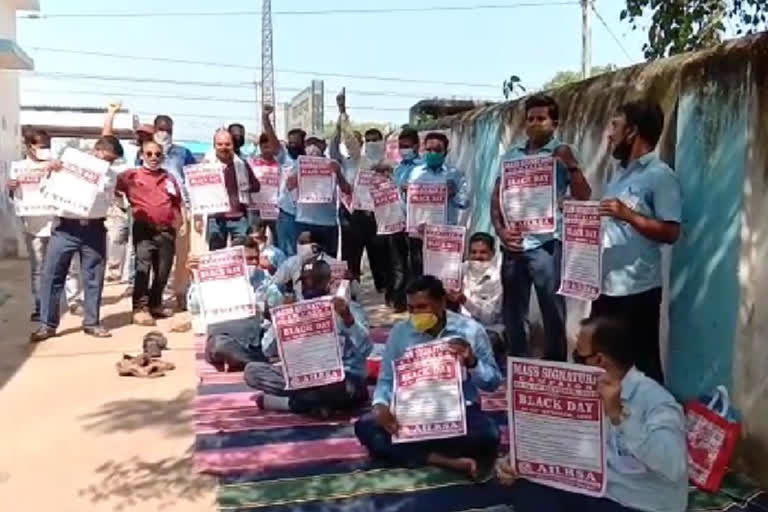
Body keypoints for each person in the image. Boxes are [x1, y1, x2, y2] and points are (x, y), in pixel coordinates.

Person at [496, 315, 688, 512]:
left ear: (599, 360)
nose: (574, 364)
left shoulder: (657, 401)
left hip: (635, 502)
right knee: (528, 489)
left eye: (579, 357)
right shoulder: (582, 391)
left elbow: (673, 465)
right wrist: (518, 462)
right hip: (592, 492)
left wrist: (618, 415)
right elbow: (557, 442)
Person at [354, 275, 502, 479]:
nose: (415, 313)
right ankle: (447, 460)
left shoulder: (471, 330)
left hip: (458, 413)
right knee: (365, 427)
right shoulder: (400, 332)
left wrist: (472, 362)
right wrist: (380, 406)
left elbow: (493, 382)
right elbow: (387, 379)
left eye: (422, 307)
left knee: (489, 434)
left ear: (441, 302)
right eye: (411, 308)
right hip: (410, 413)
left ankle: (415, 452)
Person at [490, 94, 592, 362]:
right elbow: (497, 196)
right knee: (513, 313)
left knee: (553, 312)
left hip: (547, 245)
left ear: (554, 123)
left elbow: (584, 196)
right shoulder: (512, 155)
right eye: (530, 119)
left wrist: (570, 164)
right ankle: (518, 365)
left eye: (541, 119)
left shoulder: (562, 153)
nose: (534, 123)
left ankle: (554, 368)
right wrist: (501, 231)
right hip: (513, 245)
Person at [592, 100, 681, 384]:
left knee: (643, 369)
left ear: (632, 132)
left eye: (615, 126)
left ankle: (657, 423)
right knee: (602, 361)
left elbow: (671, 232)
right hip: (606, 287)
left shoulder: (660, 176)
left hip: (637, 291)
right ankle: (614, 425)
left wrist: (628, 215)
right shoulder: (618, 173)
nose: (609, 134)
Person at [244, 259, 372, 417]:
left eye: (315, 281)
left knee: (347, 389)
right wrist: (281, 319)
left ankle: (290, 403)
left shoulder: (347, 308)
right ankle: (319, 404)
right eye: (305, 282)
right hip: (301, 379)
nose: (309, 286)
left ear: (328, 282)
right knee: (252, 372)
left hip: (339, 378)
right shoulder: (293, 309)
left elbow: (366, 349)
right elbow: (267, 350)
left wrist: (348, 319)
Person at [30, 136, 124, 342]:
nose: (108, 163)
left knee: (94, 278)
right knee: (52, 276)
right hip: (65, 228)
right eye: (106, 157)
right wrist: (52, 170)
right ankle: (47, 324)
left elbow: (103, 199)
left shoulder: (110, 176)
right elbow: (45, 189)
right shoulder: (66, 166)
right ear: (95, 151)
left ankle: (92, 322)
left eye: (112, 160)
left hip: (94, 229)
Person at [116, 141, 185, 326]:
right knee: (142, 268)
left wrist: (182, 222)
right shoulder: (131, 175)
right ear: (141, 155)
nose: (153, 157)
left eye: (157, 154)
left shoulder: (169, 177)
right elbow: (111, 185)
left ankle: (156, 303)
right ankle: (140, 308)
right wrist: (120, 204)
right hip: (144, 229)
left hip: (166, 230)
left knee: (163, 270)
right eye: (149, 154)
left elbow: (178, 202)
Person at [188, 237, 282, 371]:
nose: (254, 263)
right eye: (248, 259)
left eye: (255, 258)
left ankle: (247, 361)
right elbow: (194, 307)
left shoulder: (263, 278)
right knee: (220, 345)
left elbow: (276, 307)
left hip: (255, 341)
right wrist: (196, 276)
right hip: (223, 338)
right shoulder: (214, 279)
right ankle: (252, 362)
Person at [332, 89, 390, 291]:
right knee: (351, 254)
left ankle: (383, 288)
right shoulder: (354, 161)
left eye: (376, 140)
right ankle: (351, 290)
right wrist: (342, 112)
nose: (373, 143)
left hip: (377, 215)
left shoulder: (386, 164)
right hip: (352, 214)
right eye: (369, 139)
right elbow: (347, 137)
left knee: (379, 252)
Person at [406, 132, 470, 279]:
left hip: (445, 234)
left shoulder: (454, 174)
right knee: (420, 277)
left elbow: (465, 202)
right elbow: (409, 203)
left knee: (446, 278)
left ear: (445, 152)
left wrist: (454, 193)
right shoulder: (415, 173)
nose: (432, 153)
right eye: (429, 150)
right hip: (420, 234)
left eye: (437, 150)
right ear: (423, 150)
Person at [152, 114, 196, 311]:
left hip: (180, 209)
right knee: (159, 255)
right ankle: (158, 296)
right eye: (160, 129)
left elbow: (194, 177)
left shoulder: (183, 152)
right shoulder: (147, 152)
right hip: (156, 209)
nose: (164, 133)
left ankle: (180, 292)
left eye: (167, 130)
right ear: (154, 130)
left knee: (182, 253)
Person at [447, 232, 505, 364]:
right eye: (474, 252)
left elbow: (489, 317)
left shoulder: (497, 278)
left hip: (488, 328)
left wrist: (464, 300)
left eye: (483, 252)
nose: (478, 257)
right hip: (460, 326)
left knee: (485, 344)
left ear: (493, 253)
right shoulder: (460, 269)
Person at [198, 129, 260, 251]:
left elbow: (256, 186)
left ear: (233, 145)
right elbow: (198, 194)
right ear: (214, 146)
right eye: (219, 144)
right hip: (215, 218)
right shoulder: (205, 166)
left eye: (227, 144)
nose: (224, 147)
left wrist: (243, 187)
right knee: (217, 257)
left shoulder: (242, 164)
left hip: (239, 217)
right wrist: (198, 218)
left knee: (242, 254)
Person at [294, 135, 351, 257]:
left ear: (323, 145)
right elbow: (289, 186)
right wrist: (300, 171)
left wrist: (338, 173)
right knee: (304, 261)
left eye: (316, 143)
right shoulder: (298, 163)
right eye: (309, 144)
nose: (313, 147)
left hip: (327, 222)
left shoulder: (333, 164)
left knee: (328, 261)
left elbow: (347, 190)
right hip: (304, 221)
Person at [386, 127, 422, 312]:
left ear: (417, 146)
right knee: (398, 264)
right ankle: (399, 300)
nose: (404, 149)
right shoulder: (398, 168)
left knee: (416, 264)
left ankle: (416, 301)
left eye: (407, 146)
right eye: (401, 146)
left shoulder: (423, 168)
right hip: (397, 221)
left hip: (417, 223)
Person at [272, 230, 344, 299]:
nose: (299, 245)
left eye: (303, 242)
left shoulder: (333, 264)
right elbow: (275, 281)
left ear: (315, 247)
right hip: (300, 306)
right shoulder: (292, 262)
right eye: (299, 242)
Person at [248, 133, 281, 247]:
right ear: (260, 147)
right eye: (264, 146)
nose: (267, 149)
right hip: (256, 209)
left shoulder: (280, 164)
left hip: (276, 209)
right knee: (255, 242)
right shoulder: (251, 162)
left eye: (270, 146)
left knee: (278, 242)